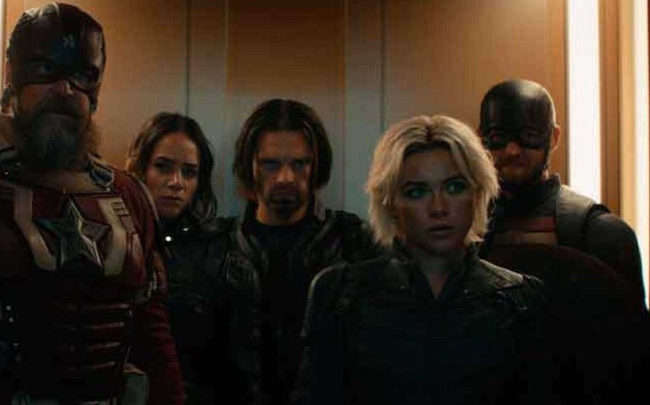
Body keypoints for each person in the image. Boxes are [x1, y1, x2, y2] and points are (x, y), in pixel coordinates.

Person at [0, 4, 183, 404]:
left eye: (83, 75)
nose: (66, 90)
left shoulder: (128, 195)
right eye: (45, 69)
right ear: (12, 76)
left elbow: (152, 335)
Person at [293, 114, 549, 405]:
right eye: (417, 192)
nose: (438, 207)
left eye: (454, 187)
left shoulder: (520, 299)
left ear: (477, 194)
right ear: (391, 204)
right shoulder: (340, 293)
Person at [478, 79, 649, 403]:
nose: (512, 151)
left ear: (553, 137)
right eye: (499, 137)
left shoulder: (600, 233)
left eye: (528, 136)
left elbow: (631, 357)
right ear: (481, 138)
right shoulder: (463, 228)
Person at [221, 98, 381, 405]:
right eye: (270, 164)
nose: (285, 178)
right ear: (250, 165)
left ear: (315, 165)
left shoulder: (354, 242)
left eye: (299, 164)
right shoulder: (220, 246)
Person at [127, 112, 225, 404]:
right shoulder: (118, 239)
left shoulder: (214, 251)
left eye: (189, 172)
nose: (176, 182)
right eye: (163, 167)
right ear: (142, 168)